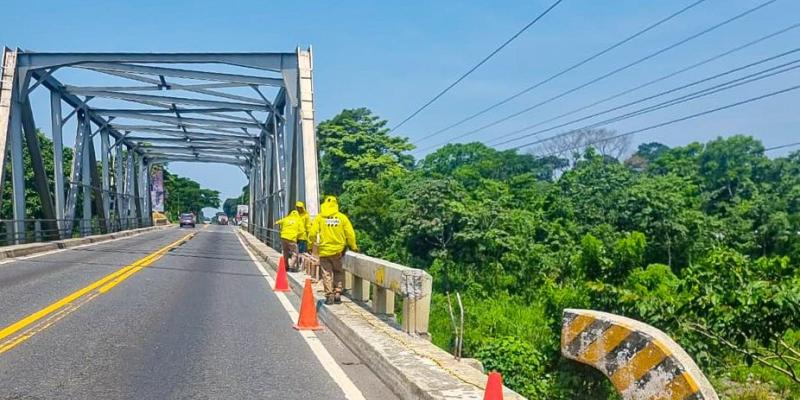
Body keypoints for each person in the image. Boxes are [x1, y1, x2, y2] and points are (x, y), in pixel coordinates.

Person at [308, 196, 358, 305]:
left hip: (325, 251)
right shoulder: (342, 218)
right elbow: (350, 234)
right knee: (338, 271)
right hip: (338, 251)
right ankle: (337, 292)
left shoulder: (320, 218)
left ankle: (329, 295)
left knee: (326, 274)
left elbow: (312, 233)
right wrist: (353, 246)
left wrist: (310, 245)